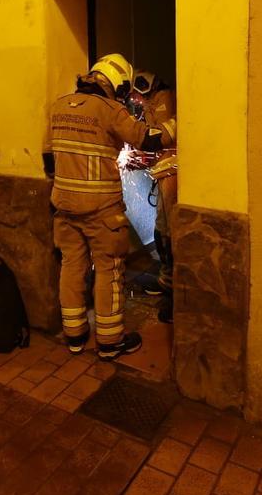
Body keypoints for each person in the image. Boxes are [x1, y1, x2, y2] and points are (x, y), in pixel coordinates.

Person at [46, 54, 175, 360]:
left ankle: (75, 335)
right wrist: (176, 123)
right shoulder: (109, 109)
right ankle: (109, 342)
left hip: (63, 206)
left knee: (71, 266)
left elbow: (48, 161)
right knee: (109, 270)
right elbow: (148, 139)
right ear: (116, 82)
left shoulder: (58, 106)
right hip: (101, 209)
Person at [132, 71, 177, 323]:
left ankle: (173, 291)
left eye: (137, 96)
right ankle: (165, 278)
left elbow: (165, 135)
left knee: (169, 229)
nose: (136, 101)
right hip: (163, 170)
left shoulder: (166, 99)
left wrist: (151, 145)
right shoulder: (152, 100)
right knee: (161, 226)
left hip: (173, 172)